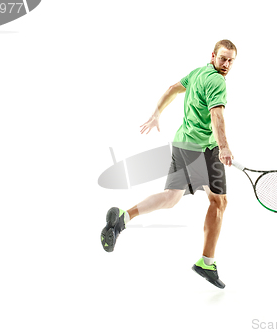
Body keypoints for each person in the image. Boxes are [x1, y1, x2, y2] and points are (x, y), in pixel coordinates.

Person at [101, 40, 237, 289]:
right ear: (213, 56)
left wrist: (156, 113)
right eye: (223, 58)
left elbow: (173, 89)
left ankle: (124, 217)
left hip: (182, 143)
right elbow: (217, 115)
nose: (226, 64)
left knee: (171, 197)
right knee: (219, 201)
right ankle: (207, 262)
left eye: (230, 60)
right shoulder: (217, 81)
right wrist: (224, 147)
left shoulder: (198, 72)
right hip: (203, 148)